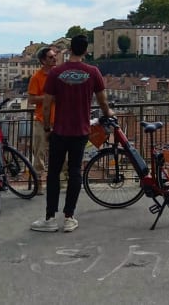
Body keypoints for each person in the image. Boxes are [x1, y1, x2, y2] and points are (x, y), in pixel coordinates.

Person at [30, 34, 113, 233]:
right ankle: (69, 217)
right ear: (86, 50)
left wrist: (48, 128)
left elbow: (48, 103)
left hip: (59, 129)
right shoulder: (93, 72)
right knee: (75, 171)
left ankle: (50, 218)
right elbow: (102, 102)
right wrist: (108, 113)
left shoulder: (56, 72)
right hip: (81, 130)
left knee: (53, 174)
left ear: (69, 50)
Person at [27, 46, 59, 173]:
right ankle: (39, 183)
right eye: (51, 57)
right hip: (41, 120)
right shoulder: (36, 77)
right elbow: (31, 99)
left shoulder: (59, 74)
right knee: (39, 154)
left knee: (60, 153)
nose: (55, 59)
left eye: (55, 56)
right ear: (43, 61)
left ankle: (61, 182)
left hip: (58, 119)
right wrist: (49, 98)